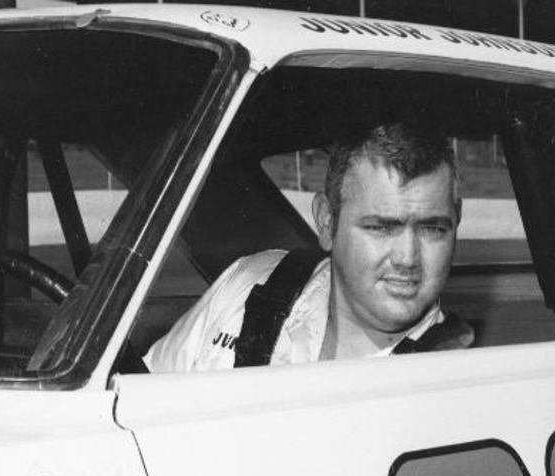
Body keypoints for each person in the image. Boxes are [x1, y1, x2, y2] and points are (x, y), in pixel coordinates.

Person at [145, 122, 473, 373]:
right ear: (328, 223)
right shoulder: (254, 283)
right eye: (381, 227)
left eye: (432, 229)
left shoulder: (451, 381)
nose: (407, 258)